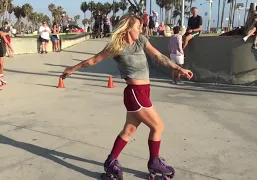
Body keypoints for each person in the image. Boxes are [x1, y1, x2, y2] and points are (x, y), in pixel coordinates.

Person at [61, 14, 193, 180]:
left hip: (144, 92)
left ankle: (111, 161)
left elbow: (159, 56)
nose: (141, 29)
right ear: (128, 28)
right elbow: (93, 60)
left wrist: (178, 68)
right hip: (135, 93)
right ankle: (154, 161)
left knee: (129, 130)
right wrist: (72, 69)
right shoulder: (116, 46)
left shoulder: (141, 41)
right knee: (158, 126)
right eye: (138, 27)